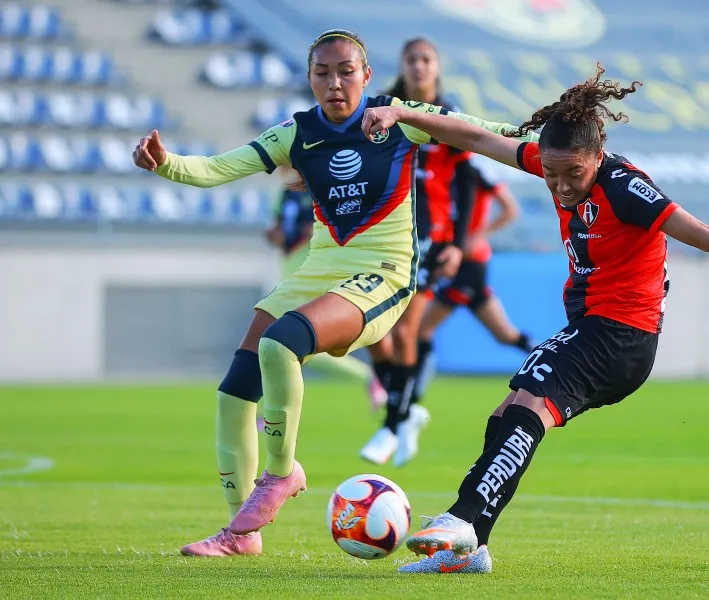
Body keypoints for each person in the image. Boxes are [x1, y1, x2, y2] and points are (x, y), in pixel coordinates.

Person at [360, 63, 709, 574]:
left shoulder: (626, 188)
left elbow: (702, 232)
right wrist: (403, 111)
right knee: (509, 413)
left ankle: (462, 520)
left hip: (622, 335)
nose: (561, 186)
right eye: (550, 174)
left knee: (529, 402)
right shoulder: (551, 160)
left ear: (597, 158)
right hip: (595, 328)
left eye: (573, 175)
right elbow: (475, 137)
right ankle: (473, 549)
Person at [131, 28, 533, 558]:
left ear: (366, 76)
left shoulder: (394, 116)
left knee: (280, 343)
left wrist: (527, 134)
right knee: (233, 394)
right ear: (310, 79)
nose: (335, 82)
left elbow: (472, 130)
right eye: (323, 72)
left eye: (346, 71)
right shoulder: (295, 133)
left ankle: (280, 475)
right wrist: (165, 163)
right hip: (319, 270)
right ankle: (241, 534)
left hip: (382, 274)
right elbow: (218, 168)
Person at [360, 37, 477, 468]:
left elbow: (466, 183)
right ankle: (406, 409)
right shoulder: (381, 109)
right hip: (383, 235)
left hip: (433, 239)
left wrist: (459, 245)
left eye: (427, 59)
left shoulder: (449, 119)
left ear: (438, 66)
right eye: (412, 59)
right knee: (370, 331)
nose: (419, 66)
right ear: (402, 65)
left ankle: (392, 423)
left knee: (407, 333)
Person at [265, 171, 388, 413]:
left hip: (312, 266)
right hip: (289, 264)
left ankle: (369, 378)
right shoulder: (286, 192)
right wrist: (276, 235)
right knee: (281, 344)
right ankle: (272, 412)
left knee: (282, 341)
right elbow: (279, 228)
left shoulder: (322, 183)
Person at [413, 160, 535, 403]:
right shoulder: (442, 169)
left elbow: (510, 209)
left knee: (421, 329)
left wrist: (477, 237)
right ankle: (553, 359)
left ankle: (414, 393)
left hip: (469, 264)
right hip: (455, 260)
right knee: (505, 335)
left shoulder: (476, 168)